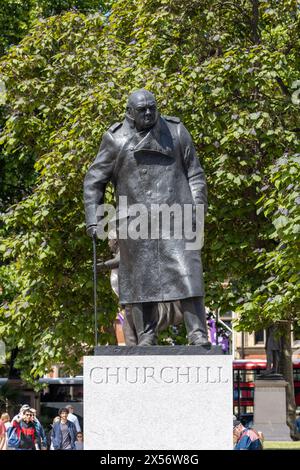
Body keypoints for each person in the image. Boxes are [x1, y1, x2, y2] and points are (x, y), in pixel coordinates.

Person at [84, 89, 210, 346]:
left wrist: (197, 210)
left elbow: (195, 174)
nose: (149, 113)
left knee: (189, 274)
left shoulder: (176, 131)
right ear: (129, 112)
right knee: (140, 279)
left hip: (179, 216)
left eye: (152, 107)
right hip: (135, 222)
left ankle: (197, 333)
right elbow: (94, 181)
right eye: (142, 110)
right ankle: (146, 335)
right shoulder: (115, 138)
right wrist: (94, 219)